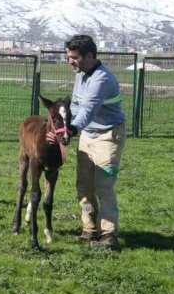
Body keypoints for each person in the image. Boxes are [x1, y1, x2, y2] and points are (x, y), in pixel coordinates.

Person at [51, 34, 127, 250]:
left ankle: (109, 235)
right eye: (68, 57)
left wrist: (71, 131)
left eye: (74, 57)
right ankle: (89, 230)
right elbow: (75, 107)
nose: (70, 62)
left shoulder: (101, 79)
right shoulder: (81, 76)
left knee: (104, 186)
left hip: (108, 136)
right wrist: (61, 129)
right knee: (84, 186)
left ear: (91, 55)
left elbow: (88, 110)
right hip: (87, 134)